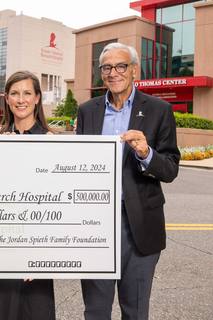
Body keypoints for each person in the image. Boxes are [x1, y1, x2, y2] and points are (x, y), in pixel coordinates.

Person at [76, 43, 180, 319]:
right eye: (107, 67)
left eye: (120, 66)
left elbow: (170, 169)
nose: (113, 73)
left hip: (138, 226)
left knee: (135, 310)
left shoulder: (159, 109)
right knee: (96, 310)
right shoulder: (87, 111)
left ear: (134, 70)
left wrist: (146, 153)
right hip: (95, 224)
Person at [0, 70, 55, 320]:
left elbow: (53, 202)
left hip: (32, 244)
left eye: (27, 93)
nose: (21, 99)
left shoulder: (51, 141)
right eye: (15, 93)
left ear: (37, 98)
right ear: (7, 99)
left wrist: (37, 253)